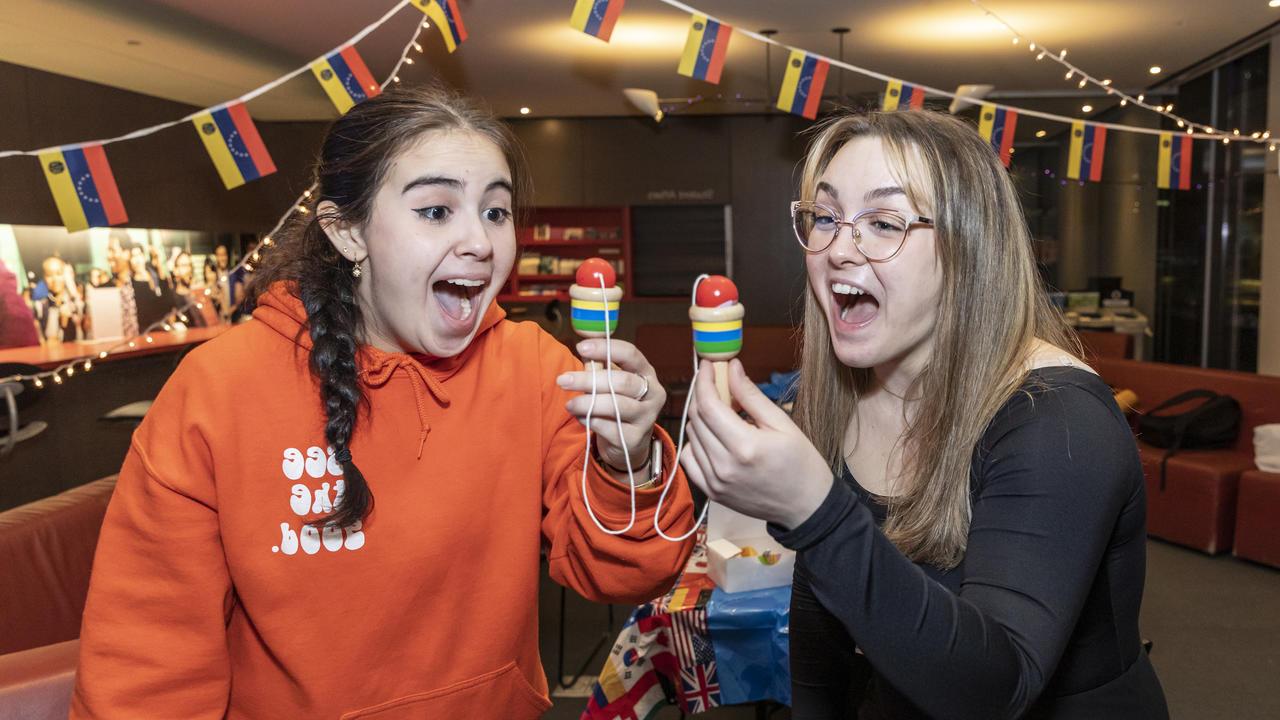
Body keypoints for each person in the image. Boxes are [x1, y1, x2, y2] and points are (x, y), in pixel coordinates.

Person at [71, 85, 694, 719]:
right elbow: (146, 668)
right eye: (435, 211)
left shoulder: (535, 367)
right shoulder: (217, 392)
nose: (479, 241)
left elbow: (624, 574)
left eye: (496, 211)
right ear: (347, 233)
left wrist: (628, 461)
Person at [679, 110, 1169, 719]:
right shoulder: (840, 395)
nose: (837, 249)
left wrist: (816, 513)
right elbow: (821, 624)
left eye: (884, 222)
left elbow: (996, 690)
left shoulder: (1059, 422)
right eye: (825, 218)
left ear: (971, 248)